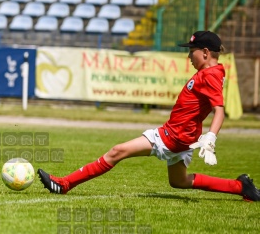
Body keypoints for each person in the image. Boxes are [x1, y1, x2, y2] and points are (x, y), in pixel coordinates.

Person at [38, 31, 260, 202]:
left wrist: (211, 138)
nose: (188, 55)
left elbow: (219, 110)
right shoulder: (210, 72)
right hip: (183, 137)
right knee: (179, 181)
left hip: (172, 136)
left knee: (117, 151)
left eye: (191, 50)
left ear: (205, 52)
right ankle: (241, 187)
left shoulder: (210, 74)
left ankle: (65, 184)